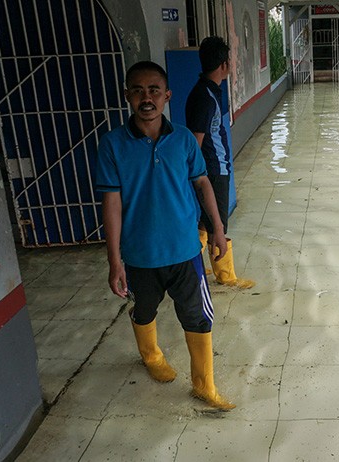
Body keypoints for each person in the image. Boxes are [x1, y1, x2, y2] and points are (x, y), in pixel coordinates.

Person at [96, 60, 235, 410]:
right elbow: (111, 204)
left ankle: (205, 385)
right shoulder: (113, 145)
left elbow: (203, 183)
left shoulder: (185, 139)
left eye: (154, 90)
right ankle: (151, 356)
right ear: (127, 95)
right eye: (139, 90)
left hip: (187, 251)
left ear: (167, 96)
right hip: (140, 255)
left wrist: (217, 229)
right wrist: (115, 261)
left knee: (199, 317)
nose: (147, 98)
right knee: (144, 310)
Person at [186, 36, 254, 289]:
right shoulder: (204, 97)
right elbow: (196, 141)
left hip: (215, 168)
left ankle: (193, 265)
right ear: (224, 64)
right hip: (213, 171)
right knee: (218, 224)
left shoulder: (207, 90)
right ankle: (226, 277)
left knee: (206, 221)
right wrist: (199, 175)